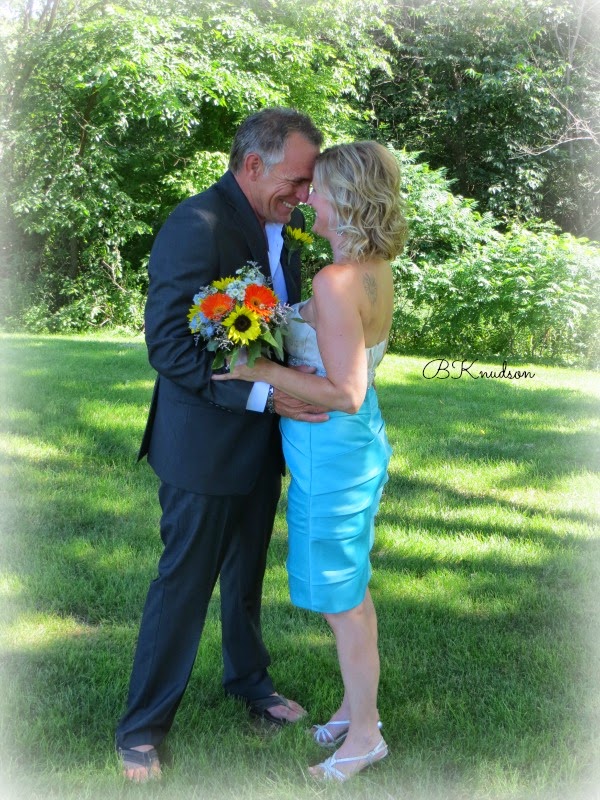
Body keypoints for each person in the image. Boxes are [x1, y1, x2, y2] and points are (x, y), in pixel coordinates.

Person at [116, 108, 326, 782]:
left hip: (264, 443)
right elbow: (169, 346)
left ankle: (250, 684)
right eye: (297, 180)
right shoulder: (196, 223)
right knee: (184, 584)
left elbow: (277, 328)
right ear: (253, 164)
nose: (304, 195)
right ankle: (141, 729)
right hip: (203, 445)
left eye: (309, 185)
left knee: (245, 578)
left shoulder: (285, 231)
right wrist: (265, 397)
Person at [214, 140, 408, 782]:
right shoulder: (373, 268)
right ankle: (354, 708)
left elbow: (345, 391)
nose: (308, 199)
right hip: (350, 446)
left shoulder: (335, 280)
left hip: (333, 452)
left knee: (341, 600)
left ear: (345, 199)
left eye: (318, 189)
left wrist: (261, 369)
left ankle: (366, 735)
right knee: (351, 590)